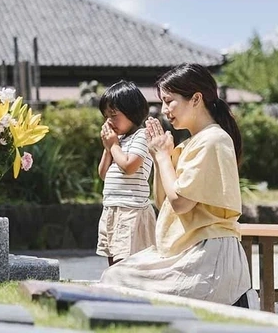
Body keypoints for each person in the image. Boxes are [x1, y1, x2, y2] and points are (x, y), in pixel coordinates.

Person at [101, 63, 258, 308]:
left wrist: (163, 157)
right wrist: (158, 156)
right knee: (115, 276)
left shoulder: (213, 140)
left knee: (117, 281)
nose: (164, 110)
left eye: (169, 101)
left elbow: (181, 203)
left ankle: (239, 298)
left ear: (196, 99)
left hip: (209, 257)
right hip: (187, 250)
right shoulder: (188, 145)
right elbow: (164, 203)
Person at [96, 80, 156, 266]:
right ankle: (115, 288)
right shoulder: (118, 140)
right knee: (112, 255)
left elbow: (129, 166)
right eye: (106, 116)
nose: (109, 121)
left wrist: (113, 145)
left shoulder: (142, 135)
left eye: (114, 115)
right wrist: (108, 148)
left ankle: (126, 290)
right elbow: (103, 174)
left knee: (126, 260)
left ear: (132, 111)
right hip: (112, 208)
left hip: (131, 210)